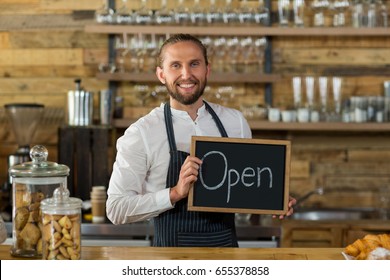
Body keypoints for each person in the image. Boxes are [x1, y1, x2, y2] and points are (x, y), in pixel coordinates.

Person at [106, 33, 296, 247]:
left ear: (208, 69)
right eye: (175, 65)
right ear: (161, 75)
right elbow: (116, 209)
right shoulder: (141, 133)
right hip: (171, 262)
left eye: (194, 64)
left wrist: (272, 199)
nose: (186, 74)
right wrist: (175, 193)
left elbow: (242, 191)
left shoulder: (235, 122)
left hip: (226, 257)